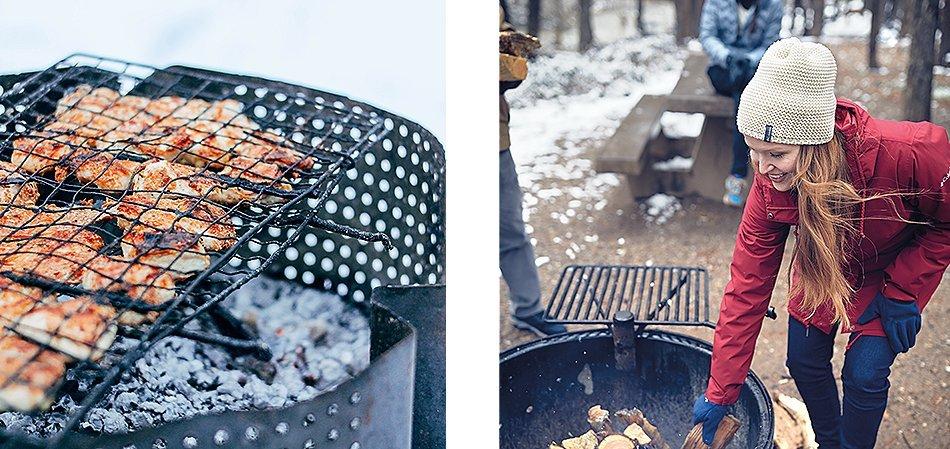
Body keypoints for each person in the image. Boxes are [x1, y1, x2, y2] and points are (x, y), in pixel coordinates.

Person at [691, 38, 949, 449]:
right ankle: (830, 441)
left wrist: (906, 289)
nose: (761, 169)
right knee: (804, 361)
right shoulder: (770, 184)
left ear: (813, 142)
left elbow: (946, 221)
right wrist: (721, 390)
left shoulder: (908, 153)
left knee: (864, 374)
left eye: (775, 153)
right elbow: (748, 286)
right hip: (823, 267)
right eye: (753, 153)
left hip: (886, 274)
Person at [499, 2, 566, 337]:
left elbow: (506, 36)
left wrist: (509, 52)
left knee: (510, 229)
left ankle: (528, 310)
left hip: (496, 141)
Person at [698, 0, 783, 206]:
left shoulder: (773, 5)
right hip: (722, 68)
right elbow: (707, 36)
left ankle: (738, 175)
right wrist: (729, 58)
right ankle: (751, 172)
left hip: (755, 69)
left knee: (744, 89)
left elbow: (771, 43)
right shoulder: (716, 2)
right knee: (743, 91)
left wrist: (747, 60)